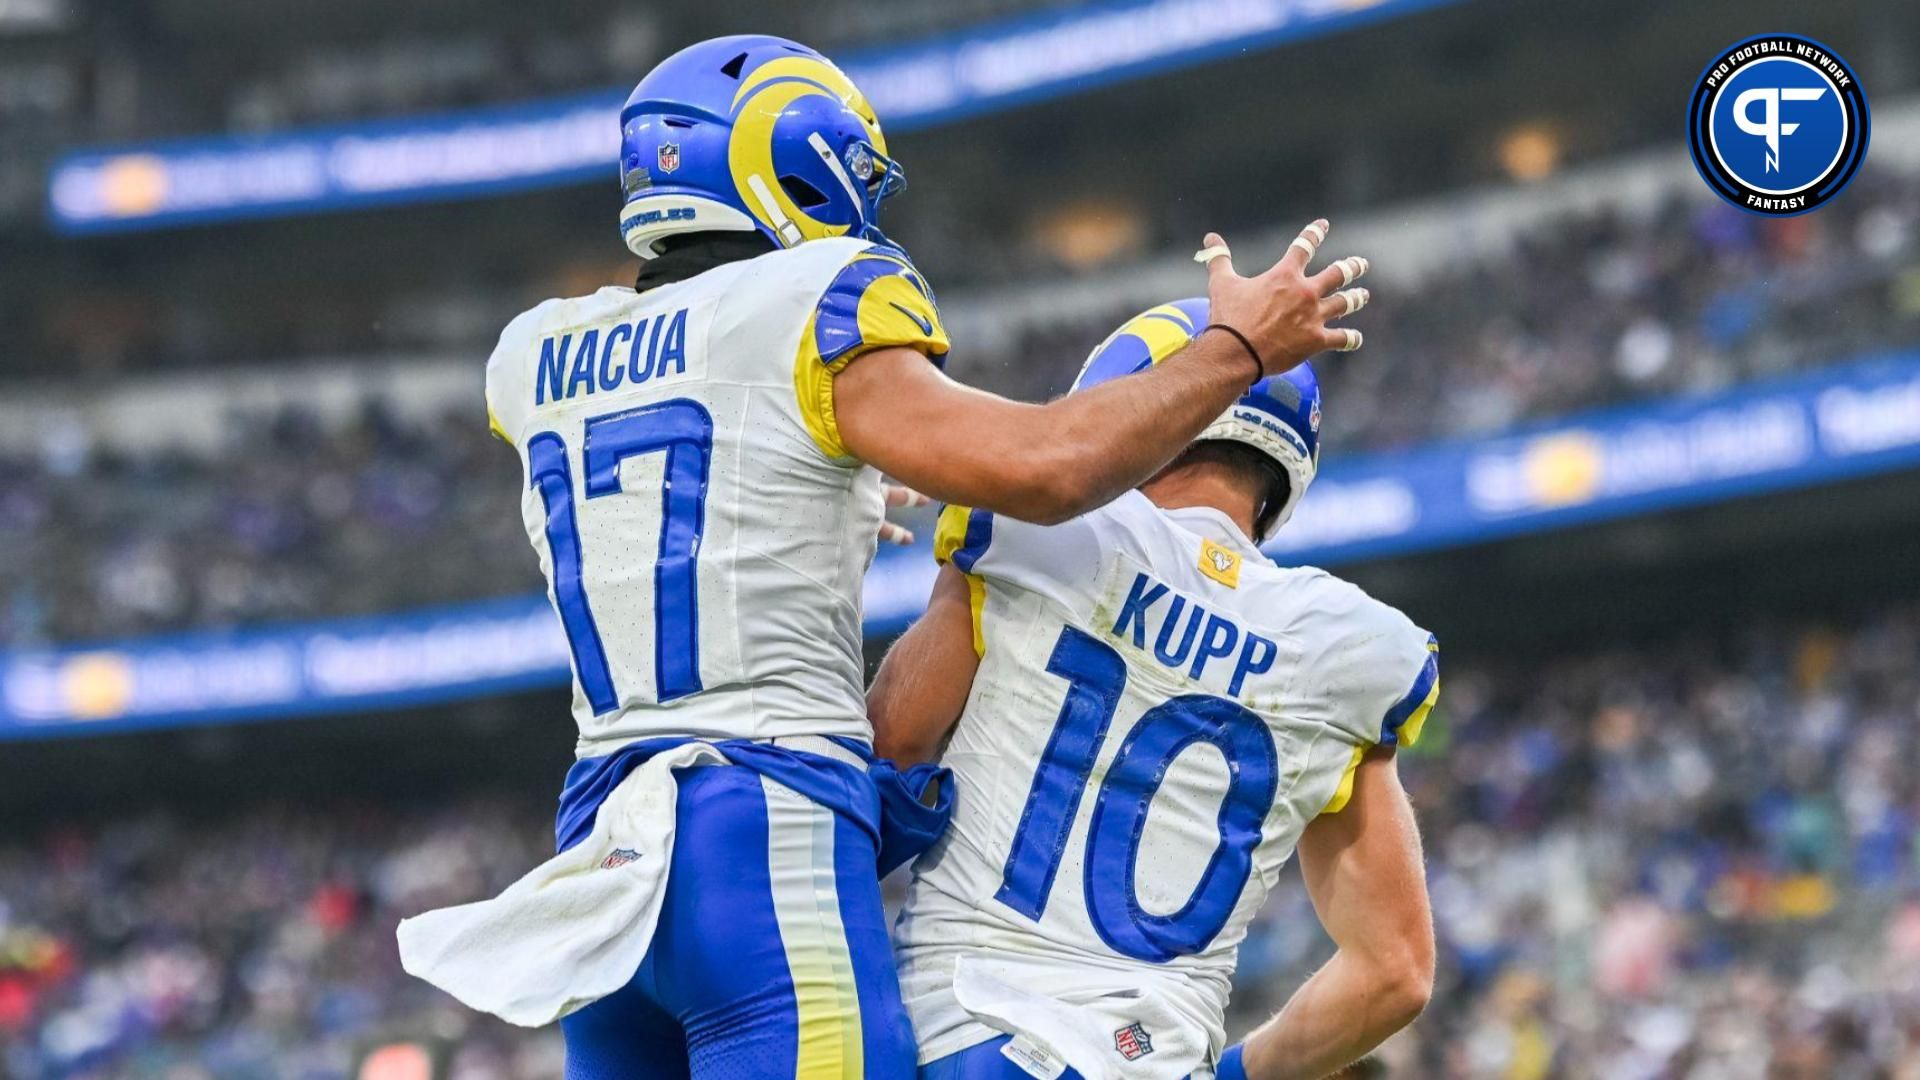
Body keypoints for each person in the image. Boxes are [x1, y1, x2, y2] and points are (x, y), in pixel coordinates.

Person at [398, 33, 1373, 1080]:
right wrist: (1240, 351)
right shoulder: (818, 296)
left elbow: (691, 467)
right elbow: (1049, 469)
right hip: (761, 837)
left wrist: (827, 483)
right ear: (787, 158)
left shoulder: (535, 354)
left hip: (604, 858)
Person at [872, 298, 1436, 1080]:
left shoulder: (1034, 535)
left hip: (974, 1024)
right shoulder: (1350, 648)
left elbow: (891, 745)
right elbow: (1396, 972)